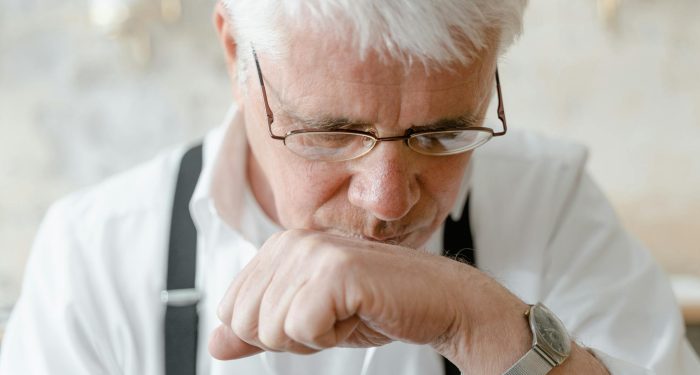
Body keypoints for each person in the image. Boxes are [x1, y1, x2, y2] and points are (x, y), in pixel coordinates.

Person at [1, 0, 699, 374]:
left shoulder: (552, 207)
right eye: (329, 133)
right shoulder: (96, 256)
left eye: (441, 133)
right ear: (236, 53)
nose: (388, 201)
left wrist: (476, 319)